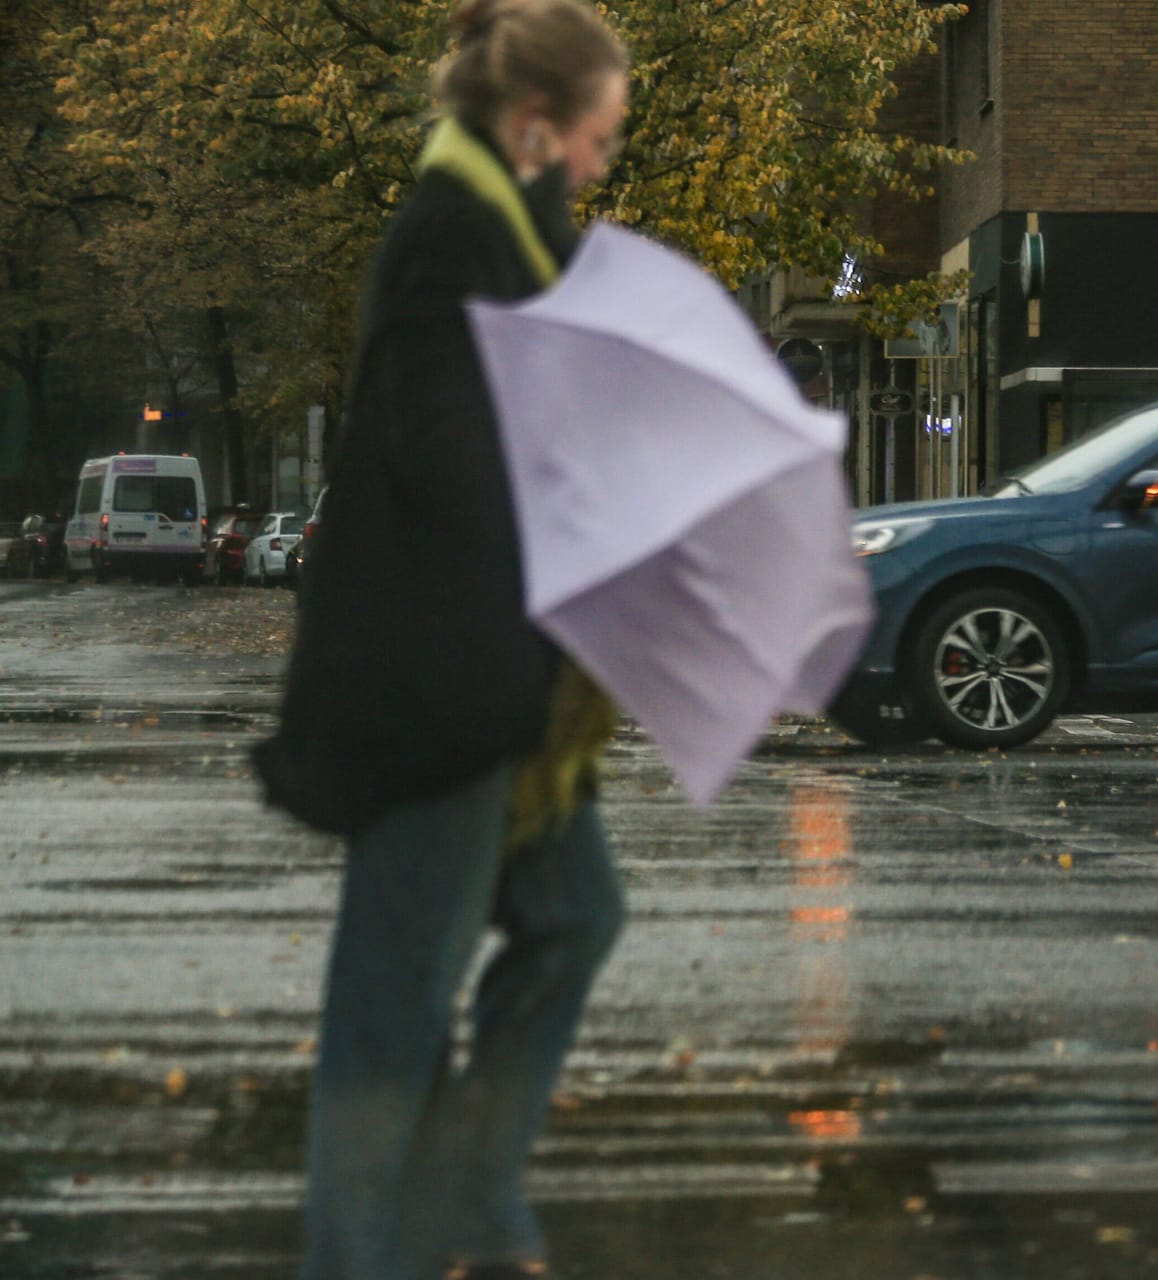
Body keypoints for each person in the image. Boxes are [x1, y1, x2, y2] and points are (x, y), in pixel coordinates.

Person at [253, 2, 630, 1277]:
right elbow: (449, 464)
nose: (599, 162)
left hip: (499, 682)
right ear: (533, 127)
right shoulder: (449, 242)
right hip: (433, 686)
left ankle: (461, 1194)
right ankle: (359, 1255)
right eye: (595, 138)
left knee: (574, 913)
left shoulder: (523, 239)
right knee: (395, 1003)